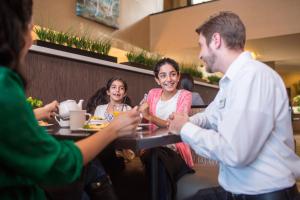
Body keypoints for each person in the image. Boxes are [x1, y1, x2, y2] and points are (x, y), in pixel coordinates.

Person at [0, 0, 140, 199]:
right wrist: (114, 129)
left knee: (93, 169)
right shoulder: (4, 85)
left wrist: (36, 113)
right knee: (91, 168)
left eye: (121, 88)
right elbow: (58, 165)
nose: (31, 38)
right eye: (30, 28)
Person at [168, 11, 300, 200]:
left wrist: (185, 128)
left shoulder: (253, 76)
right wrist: (186, 119)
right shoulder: (231, 81)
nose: (200, 55)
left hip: (264, 193)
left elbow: (234, 152)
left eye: (201, 46)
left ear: (216, 40)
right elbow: (210, 115)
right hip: (238, 191)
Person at [139, 58, 194, 200]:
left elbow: (177, 124)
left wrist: (150, 117)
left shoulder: (185, 95)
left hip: (175, 150)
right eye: (163, 76)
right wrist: (140, 113)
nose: (169, 79)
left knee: (156, 157)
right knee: (154, 156)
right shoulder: (152, 93)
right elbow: (143, 122)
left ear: (178, 76)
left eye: (173, 74)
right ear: (157, 80)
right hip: (151, 148)